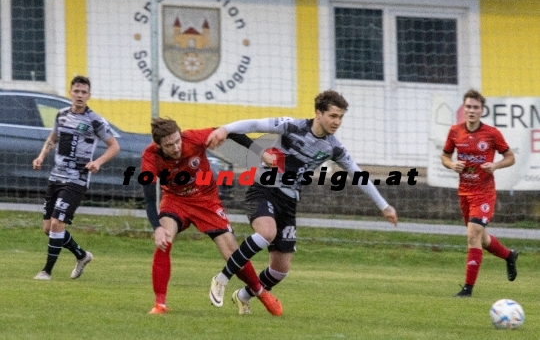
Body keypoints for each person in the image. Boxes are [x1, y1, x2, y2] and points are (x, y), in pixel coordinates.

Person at [206, 90, 398, 315]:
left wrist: (384, 205)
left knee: (280, 270)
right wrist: (225, 129)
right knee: (266, 232)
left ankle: (243, 295)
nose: (337, 122)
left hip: (289, 201)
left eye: (340, 117)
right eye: (333, 116)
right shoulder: (291, 126)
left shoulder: (333, 147)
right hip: (265, 189)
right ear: (318, 113)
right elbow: (253, 124)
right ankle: (221, 278)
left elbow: (357, 174)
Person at [141, 117, 282, 315]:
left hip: (206, 200)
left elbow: (230, 132)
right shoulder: (149, 156)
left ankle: (261, 292)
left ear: (180, 135)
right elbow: (148, 199)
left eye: (177, 141)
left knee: (232, 253)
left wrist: (261, 153)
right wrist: (157, 229)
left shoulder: (194, 138)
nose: (176, 148)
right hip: (175, 200)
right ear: (159, 145)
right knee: (164, 239)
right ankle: (160, 305)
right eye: (169, 145)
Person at [32, 75, 120, 280]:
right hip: (56, 176)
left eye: (84, 92)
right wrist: (41, 155)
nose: (80, 95)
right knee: (48, 228)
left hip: (77, 179)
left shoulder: (95, 120)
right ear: (70, 92)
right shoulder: (61, 115)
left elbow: (114, 146)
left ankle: (46, 271)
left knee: (56, 224)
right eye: (76, 91)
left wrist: (97, 162)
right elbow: (53, 138)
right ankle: (81, 255)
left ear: (89, 95)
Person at [441, 89, 518, 297]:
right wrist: (451, 164)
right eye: (468, 107)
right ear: (463, 109)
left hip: (484, 193)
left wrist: (496, 165)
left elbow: (511, 157)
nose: (471, 111)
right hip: (464, 193)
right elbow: (445, 156)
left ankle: (468, 289)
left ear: (482, 110)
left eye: (476, 107)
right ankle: (509, 255)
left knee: (473, 233)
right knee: (481, 238)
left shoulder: (492, 134)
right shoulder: (455, 132)